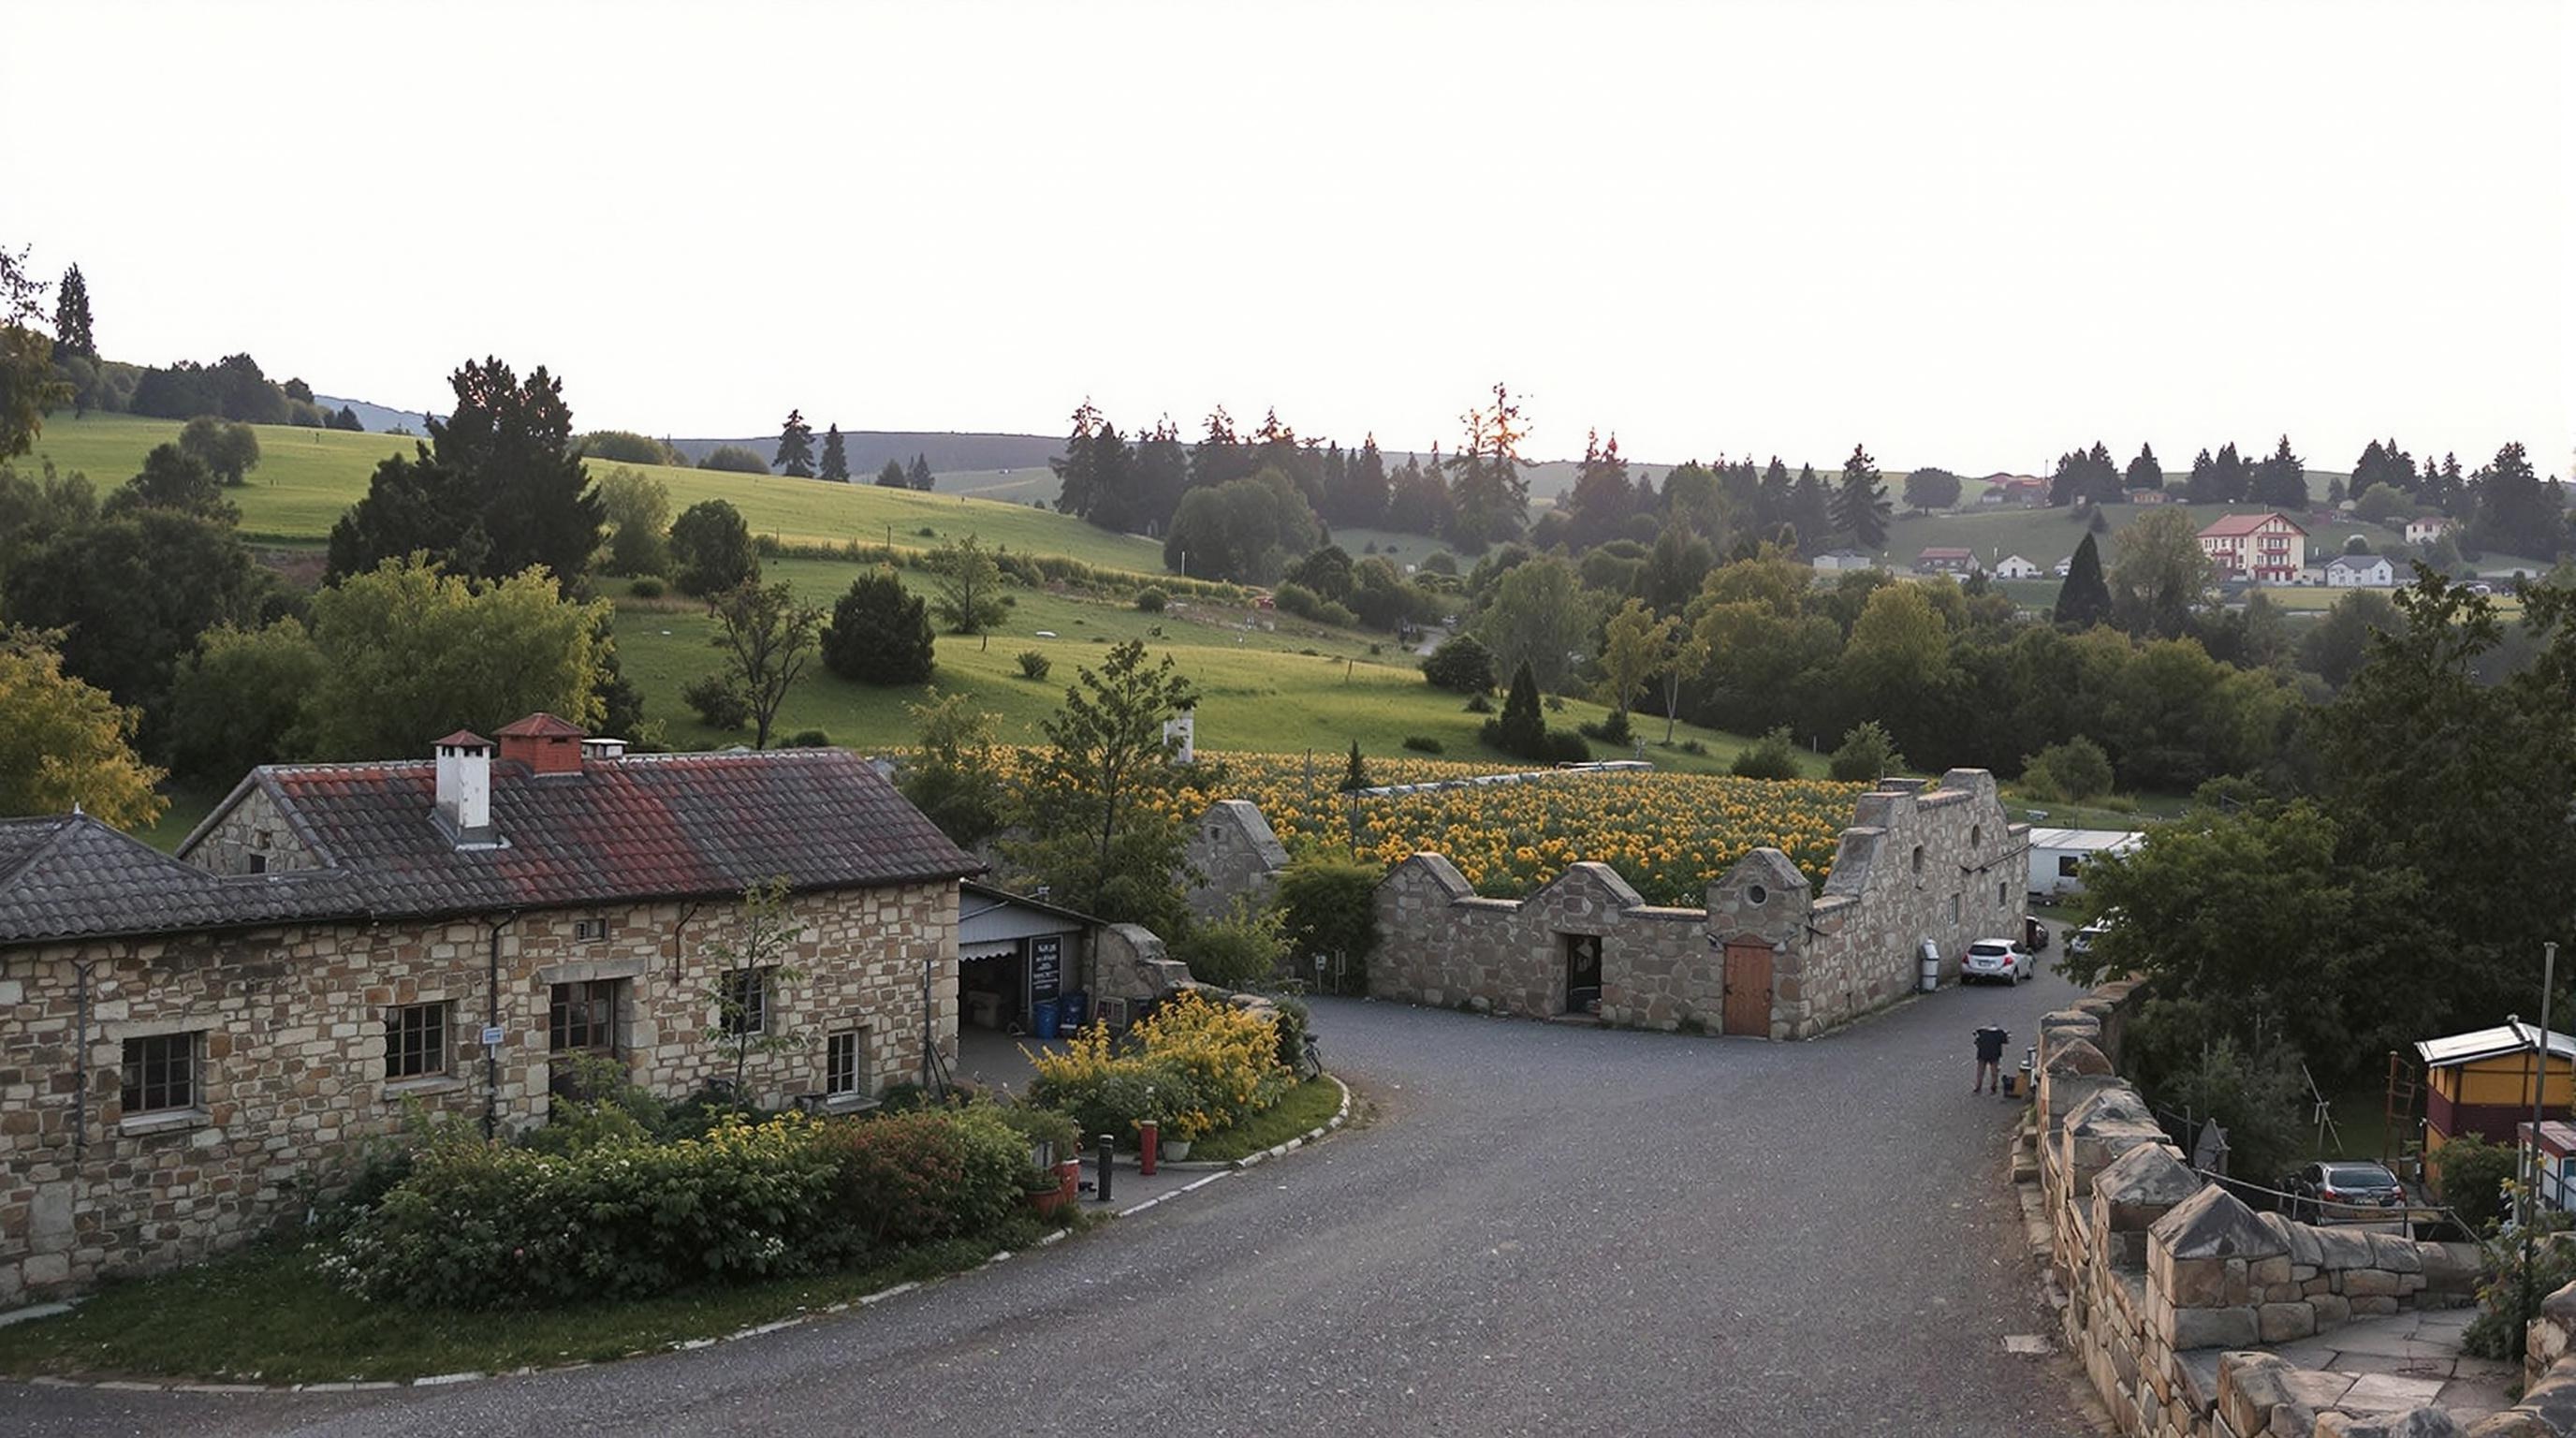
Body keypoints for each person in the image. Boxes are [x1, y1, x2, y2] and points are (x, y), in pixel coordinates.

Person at [1973, 1023, 2010, 1094]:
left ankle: (1978, 1086)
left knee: (1980, 1072)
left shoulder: (1981, 1032)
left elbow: (1976, 1041)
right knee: (1994, 1072)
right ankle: (1993, 1087)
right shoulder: (1999, 1033)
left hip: (1982, 1054)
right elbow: (2006, 1041)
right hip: (1994, 1055)